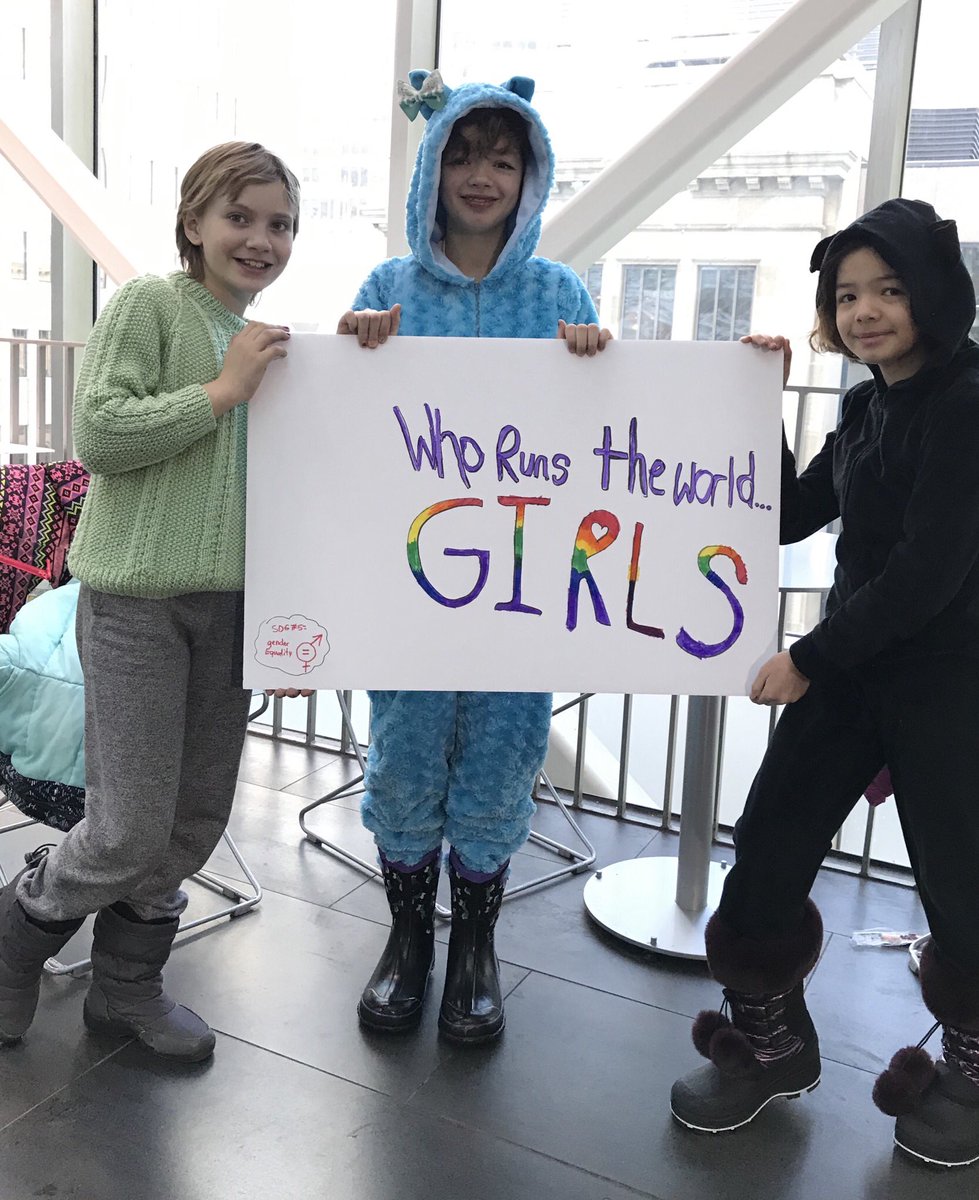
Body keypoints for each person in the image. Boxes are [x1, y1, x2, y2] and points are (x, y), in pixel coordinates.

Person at [670, 198, 979, 1170]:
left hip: (944, 674)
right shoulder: (859, 407)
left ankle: (971, 1071)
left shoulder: (971, 401)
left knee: (961, 881)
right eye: (846, 294)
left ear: (933, 293)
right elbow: (788, 515)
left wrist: (804, 656)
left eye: (888, 288)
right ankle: (771, 1043)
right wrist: (749, 407)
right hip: (851, 668)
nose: (865, 310)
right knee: (765, 842)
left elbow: (930, 574)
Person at [0, 141, 300, 1062]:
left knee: (194, 819)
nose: (259, 238)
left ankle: (126, 990)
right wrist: (223, 391)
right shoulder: (151, 306)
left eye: (279, 223)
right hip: (135, 604)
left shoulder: (271, 344)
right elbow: (99, 432)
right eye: (239, 217)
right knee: (128, 825)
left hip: (233, 610)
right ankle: (19, 932)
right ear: (195, 223)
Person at [337, 70, 611, 1044]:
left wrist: (597, 359)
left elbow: (603, 436)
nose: (482, 175)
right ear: (431, 168)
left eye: (503, 157)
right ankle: (407, 941)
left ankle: (474, 952)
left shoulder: (559, 290)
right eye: (462, 154)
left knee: (502, 757)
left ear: (530, 173)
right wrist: (356, 348)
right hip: (411, 586)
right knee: (404, 754)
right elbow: (343, 426)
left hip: (524, 591)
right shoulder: (386, 287)